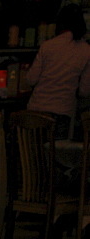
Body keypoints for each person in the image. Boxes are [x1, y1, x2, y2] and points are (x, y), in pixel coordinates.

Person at [27, 4, 90, 138]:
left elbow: (31, 79)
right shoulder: (86, 51)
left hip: (36, 110)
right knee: (56, 154)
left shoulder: (47, 46)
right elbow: (84, 91)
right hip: (63, 112)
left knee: (34, 154)